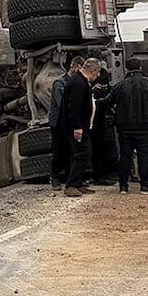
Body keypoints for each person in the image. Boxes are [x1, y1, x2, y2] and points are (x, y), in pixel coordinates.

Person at [108, 57, 148, 195]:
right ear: (140, 68)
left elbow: (108, 101)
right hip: (146, 127)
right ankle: (145, 185)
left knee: (125, 156)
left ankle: (123, 186)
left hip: (125, 128)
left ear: (126, 69)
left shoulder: (120, 85)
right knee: (144, 157)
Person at [59, 57, 101, 197]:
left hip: (82, 125)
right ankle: (72, 185)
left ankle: (78, 183)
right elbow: (74, 107)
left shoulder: (81, 80)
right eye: (97, 72)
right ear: (93, 70)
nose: (98, 76)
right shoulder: (78, 83)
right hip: (76, 127)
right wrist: (77, 127)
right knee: (82, 153)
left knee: (81, 153)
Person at [48, 56, 84, 188]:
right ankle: (55, 176)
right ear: (73, 66)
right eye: (78, 68)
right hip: (59, 122)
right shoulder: (60, 83)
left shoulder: (77, 82)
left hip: (71, 122)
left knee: (73, 151)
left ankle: (72, 179)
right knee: (59, 151)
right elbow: (62, 102)